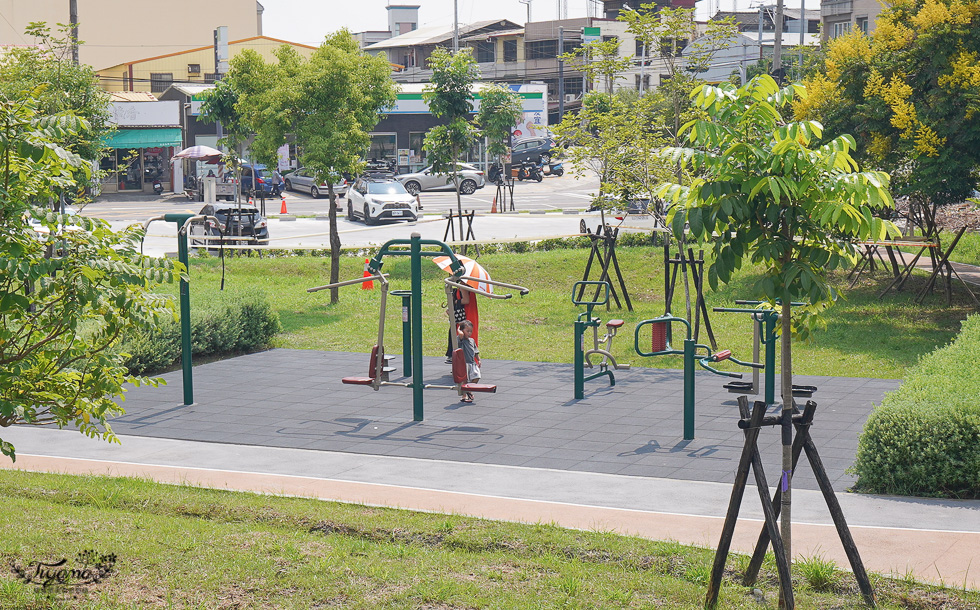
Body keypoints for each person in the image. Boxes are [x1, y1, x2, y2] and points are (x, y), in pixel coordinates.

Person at [445, 287, 479, 363]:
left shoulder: (463, 287)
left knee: (462, 336)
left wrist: (455, 302)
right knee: (464, 336)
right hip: (468, 312)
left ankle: (461, 361)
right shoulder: (464, 287)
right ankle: (464, 361)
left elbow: (466, 300)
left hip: (466, 314)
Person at [457, 320, 480, 403]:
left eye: (470, 331)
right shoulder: (461, 340)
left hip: (472, 363)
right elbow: (460, 334)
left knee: (477, 377)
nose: (469, 333)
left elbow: (475, 351)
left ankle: (469, 390)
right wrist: (459, 328)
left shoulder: (472, 340)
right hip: (464, 363)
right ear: (462, 331)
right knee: (465, 380)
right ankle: (464, 395)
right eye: (467, 331)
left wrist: (478, 359)